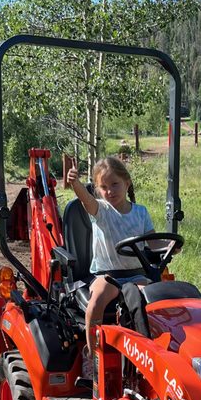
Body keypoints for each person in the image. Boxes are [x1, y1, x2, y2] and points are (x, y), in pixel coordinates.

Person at [66, 156, 156, 370]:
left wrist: (171, 244)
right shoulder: (102, 211)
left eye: (114, 184)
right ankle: (92, 355)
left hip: (136, 274)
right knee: (96, 301)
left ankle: (152, 352)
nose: (110, 191)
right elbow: (86, 201)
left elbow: (152, 240)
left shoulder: (140, 212)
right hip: (108, 275)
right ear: (98, 190)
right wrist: (76, 184)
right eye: (103, 187)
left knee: (155, 301)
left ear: (127, 182)